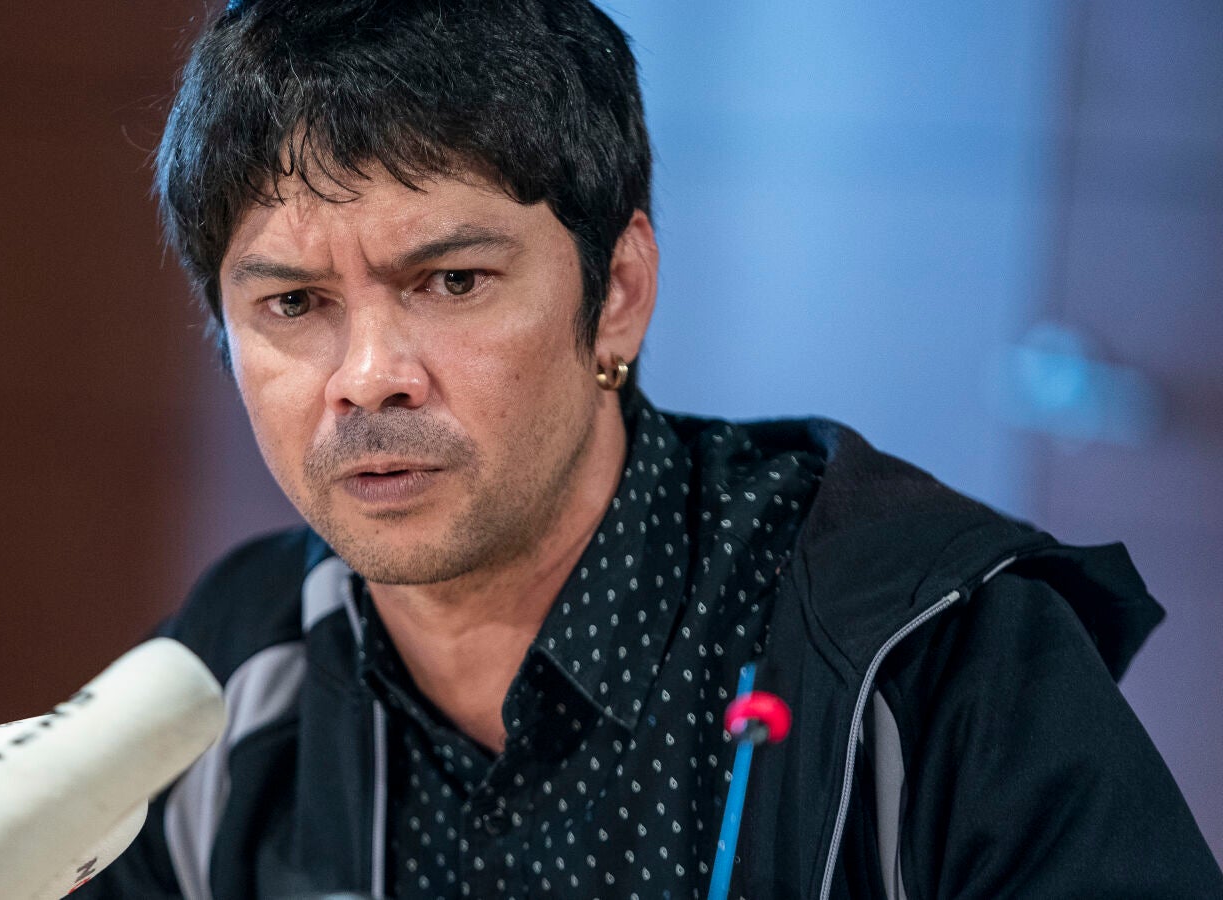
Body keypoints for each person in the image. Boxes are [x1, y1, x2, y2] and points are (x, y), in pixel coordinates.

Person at [81, 0, 1223, 897]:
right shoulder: (229, 672)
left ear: (618, 293)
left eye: (453, 281)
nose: (368, 374)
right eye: (292, 304)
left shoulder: (928, 655)